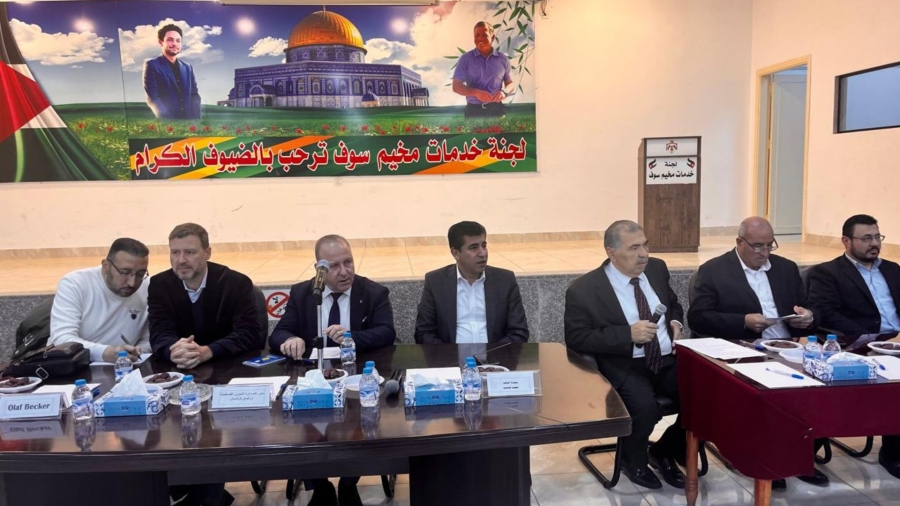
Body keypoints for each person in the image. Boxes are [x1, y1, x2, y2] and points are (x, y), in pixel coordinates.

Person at [687, 216, 826, 488]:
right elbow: (699, 318)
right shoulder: (714, 271)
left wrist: (807, 317)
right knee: (762, 400)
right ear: (739, 242)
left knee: (822, 394)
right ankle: (767, 461)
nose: (764, 253)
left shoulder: (785, 268)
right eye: (757, 246)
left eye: (769, 245)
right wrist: (743, 321)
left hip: (788, 349)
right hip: (742, 352)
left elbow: (811, 307)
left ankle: (797, 455)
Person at [270, 234, 394, 506]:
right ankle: (320, 487)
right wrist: (289, 340)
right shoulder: (303, 293)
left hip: (355, 381)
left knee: (361, 425)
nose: (345, 271)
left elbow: (386, 332)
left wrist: (351, 337)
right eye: (335, 266)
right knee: (303, 423)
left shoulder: (373, 292)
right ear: (320, 269)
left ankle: (349, 485)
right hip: (314, 381)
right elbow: (278, 333)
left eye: (348, 262)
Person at [564, 220, 685, 489]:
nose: (644, 254)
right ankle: (633, 461)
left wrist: (676, 323)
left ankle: (664, 450)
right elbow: (576, 338)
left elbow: (673, 304)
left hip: (668, 359)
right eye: (634, 248)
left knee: (706, 398)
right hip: (625, 364)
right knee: (644, 407)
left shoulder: (657, 269)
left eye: (646, 245)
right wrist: (626, 334)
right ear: (612, 252)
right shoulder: (584, 290)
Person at [806, 213, 900, 479]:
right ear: (846, 241)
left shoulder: (892, 269)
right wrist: (871, 337)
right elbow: (826, 313)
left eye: (877, 237)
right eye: (866, 238)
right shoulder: (828, 273)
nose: (874, 243)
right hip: (857, 346)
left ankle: (893, 451)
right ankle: (803, 453)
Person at [149, 222, 261, 368]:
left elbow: (248, 333)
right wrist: (173, 351)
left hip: (227, 366)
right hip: (180, 366)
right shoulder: (159, 284)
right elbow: (159, 332)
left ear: (207, 253)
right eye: (175, 252)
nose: (181, 260)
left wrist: (208, 351)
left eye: (190, 252)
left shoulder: (236, 283)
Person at [414, 221, 529, 345]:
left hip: (496, 355)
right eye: (473, 248)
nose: (482, 253)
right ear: (456, 253)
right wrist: (449, 354)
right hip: (450, 355)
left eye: (484, 245)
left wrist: (493, 353)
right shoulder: (436, 281)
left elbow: (519, 332)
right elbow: (423, 332)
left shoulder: (505, 280)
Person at [49, 238, 151, 362]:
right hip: (74, 364)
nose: (132, 282)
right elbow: (61, 339)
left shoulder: (148, 287)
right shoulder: (75, 283)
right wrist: (105, 353)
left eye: (140, 274)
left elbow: (148, 339)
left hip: (126, 365)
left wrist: (138, 352)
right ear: (106, 266)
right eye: (125, 272)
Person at [452, 21, 513, 119]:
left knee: (501, 131)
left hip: (497, 111)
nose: (480, 38)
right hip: (473, 111)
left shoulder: (503, 59)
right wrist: (476, 93)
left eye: (484, 35)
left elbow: (510, 83)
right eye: (477, 35)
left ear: (493, 37)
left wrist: (504, 92)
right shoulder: (465, 59)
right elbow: (456, 86)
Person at [143, 24, 201, 120]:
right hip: (168, 123)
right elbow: (153, 98)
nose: (175, 44)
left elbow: (194, 95)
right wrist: (170, 122)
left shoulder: (187, 68)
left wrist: (195, 120)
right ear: (161, 42)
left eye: (178, 41)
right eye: (170, 40)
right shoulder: (152, 65)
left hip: (189, 123)